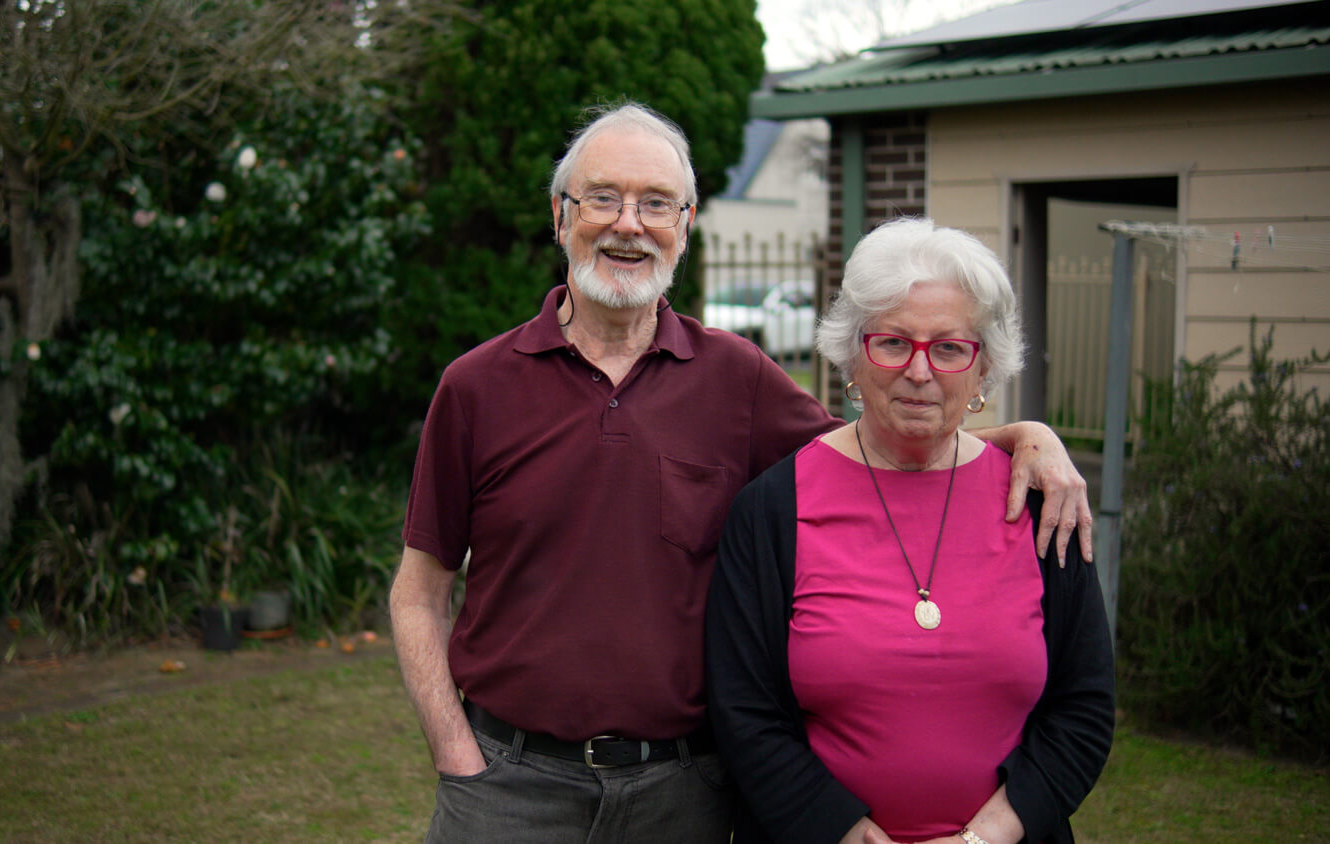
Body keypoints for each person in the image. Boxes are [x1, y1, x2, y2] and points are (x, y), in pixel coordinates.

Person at [389, 104, 1094, 843]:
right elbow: (418, 593)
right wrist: (456, 753)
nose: (629, 224)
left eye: (656, 203)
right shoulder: (476, 387)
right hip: (510, 788)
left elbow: (882, 443)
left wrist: (1021, 435)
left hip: (684, 797)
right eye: (603, 197)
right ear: (560, 217)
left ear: (686, 225)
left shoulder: (737, 380)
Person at [704, 217, 1115, 844]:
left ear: (983, 370)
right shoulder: (771, 512)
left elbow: (1083, 709)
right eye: (893, 343)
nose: (919, 371)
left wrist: (987, 838)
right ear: (853, 353)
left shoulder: (1039, 503)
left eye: (949, 348)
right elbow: (744, 714)